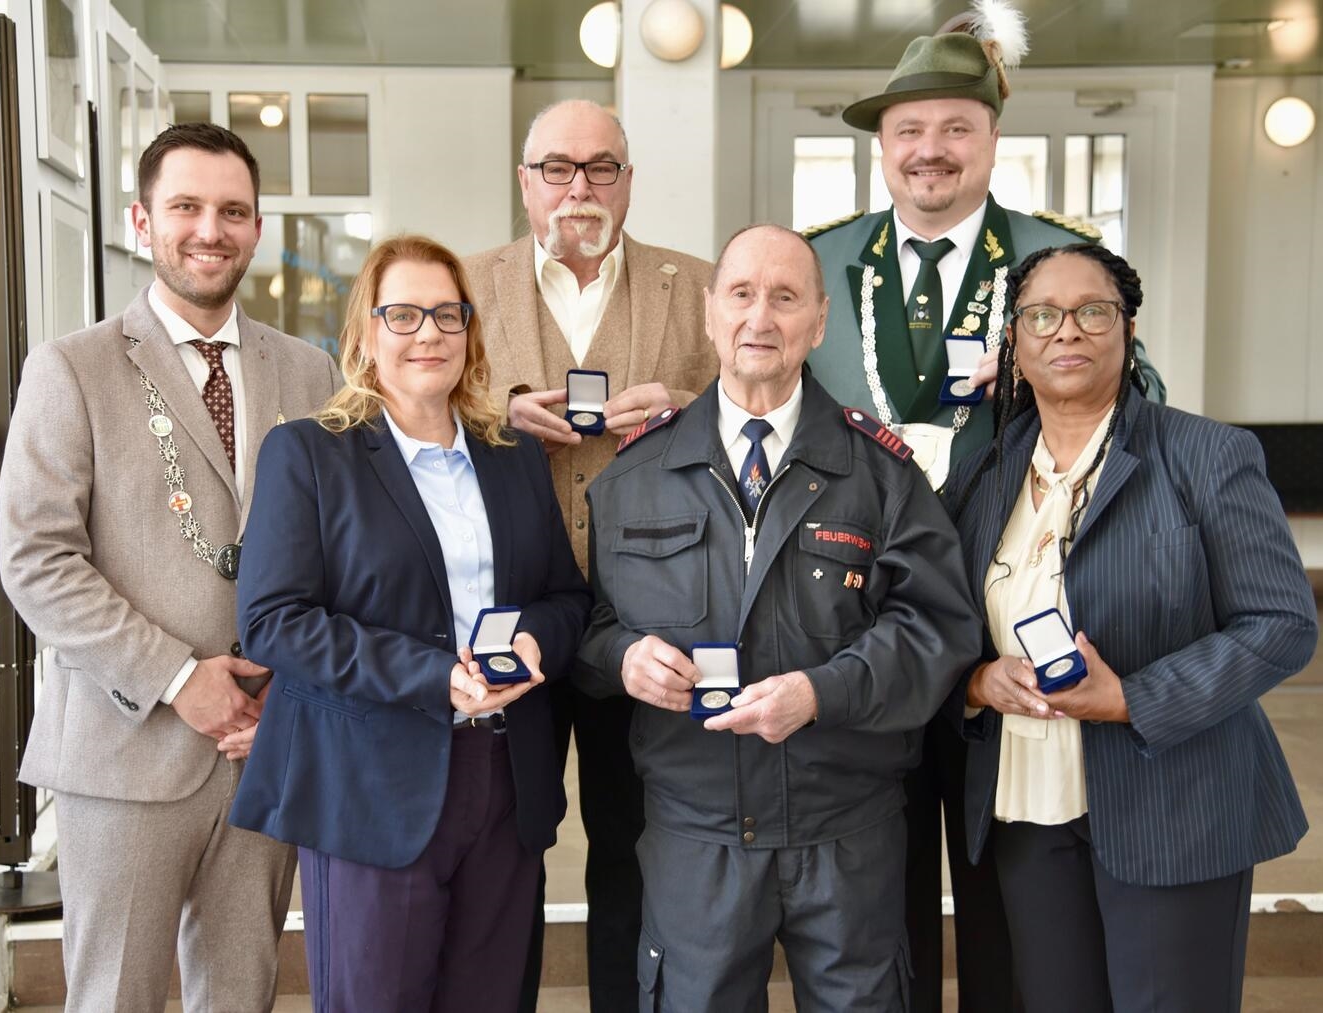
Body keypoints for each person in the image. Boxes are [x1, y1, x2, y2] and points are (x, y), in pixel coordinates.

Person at [803, 5, 1166, 1008]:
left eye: (956, 127)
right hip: (858, 618)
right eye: (909, 129)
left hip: (1013, 618)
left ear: (993, 139)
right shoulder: (818, 262)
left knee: (1012, 892)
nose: (932, 149)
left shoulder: (1060, 258)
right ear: (882, 145)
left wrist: (1045, 380)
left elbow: (1143, 404)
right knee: (872, 891)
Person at [578, 224, 980, 1011]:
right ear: (709, 313)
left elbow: (937, 628)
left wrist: (822, 692)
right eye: (742, 294)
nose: (760, 316)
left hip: (846, 829)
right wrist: (621, 656)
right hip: (696, 835)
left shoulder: (883, 475)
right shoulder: (632, 477)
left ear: (819, 322)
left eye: (786, 297)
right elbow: (590, 627)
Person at [0, 123, 339, 1012]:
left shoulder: (311, 372)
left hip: (264, 745)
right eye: (186, 207)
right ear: (142, 221)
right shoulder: (71, 368)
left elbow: (342, 550)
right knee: (117, 995)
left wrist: (295, 685)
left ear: (257, 227)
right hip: (124, 749)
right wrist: (180, 677)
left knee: (243, 992)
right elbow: (36, 558)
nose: (210, 230)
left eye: (233, 211)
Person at [944, 243, 1314, 1012]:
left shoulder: (1206, 454)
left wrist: (1131, 698)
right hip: (1027, 805)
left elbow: (1281, 622)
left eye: (1093, 311)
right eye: (1042, 315)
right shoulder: (982, 474)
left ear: (1128, 328)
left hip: (1175, 805)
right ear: (1013, 340)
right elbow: (944, 627)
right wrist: (977, 681)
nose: (1066, 330)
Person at [227, 235, 590, 1012]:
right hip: (371, 785)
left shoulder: (513, 455)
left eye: (448, 314)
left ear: (470, 333)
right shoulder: (309, 454)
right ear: (365, 332)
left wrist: (534, 640)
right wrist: (435, 675)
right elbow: (272, 621)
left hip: (505, 781)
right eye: (403, 314)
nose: (428, 332)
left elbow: (568, 598)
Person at [462, 98, 718, 1010]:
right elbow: (402, 407)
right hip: (508, 613)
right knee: (503, 844)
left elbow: (762, 407)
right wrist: (493, 415)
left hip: (648, 620)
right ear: (524, 181)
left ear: (628, 180)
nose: (580, 186)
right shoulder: (462, 286)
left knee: (634, 842)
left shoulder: (700, 286)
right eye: (557, 168)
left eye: (602, 166)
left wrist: (684, 406)